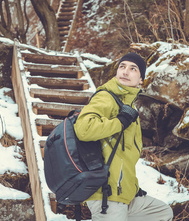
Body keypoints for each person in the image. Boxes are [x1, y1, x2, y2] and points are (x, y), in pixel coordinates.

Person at [74, 52, 173, 221]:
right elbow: (83, 129)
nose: (125, 72)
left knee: (162, 213)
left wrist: (132, 188)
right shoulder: (106, 97)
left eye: (132, 69)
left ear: (141, 79)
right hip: (106, 194)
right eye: (122, 67)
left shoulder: (127, 104)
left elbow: (122, 158)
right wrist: (119, 122)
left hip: (124, 194)